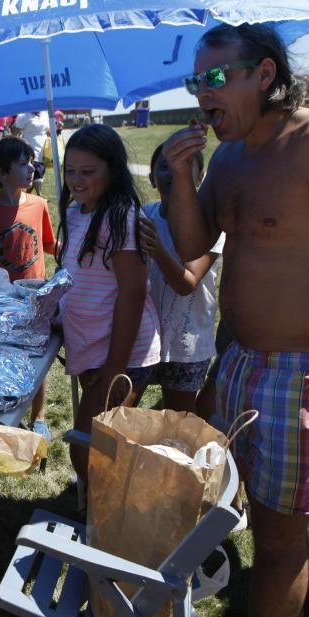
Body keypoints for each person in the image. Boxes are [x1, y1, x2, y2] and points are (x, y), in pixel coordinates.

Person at [165, 23, 309, 617]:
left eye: (216, 78)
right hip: (240, 361)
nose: (202, 92)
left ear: (265, 75)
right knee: (228, 508)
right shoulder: (231, 156)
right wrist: (184, 183)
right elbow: (195, 247)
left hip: (308, 376)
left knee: (279, 545)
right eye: (196, 80)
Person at [57, 124, 161, 484]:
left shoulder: (121, 217)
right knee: (98, 444)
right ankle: (105, 508)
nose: (76, 180)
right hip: (92, 347)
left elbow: (132, 294)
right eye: (70, 171)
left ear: (113, 170)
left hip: (121, 356)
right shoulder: (76, 213)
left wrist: (115, 369)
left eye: (88, 172)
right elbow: (77, 276)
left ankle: (112, 519)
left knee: (88, 449)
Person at [0, 136, 55, 439]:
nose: (31, 169)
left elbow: (49, 244)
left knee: (38, 358)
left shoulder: (39, 204)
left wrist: (79, 252)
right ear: (2, 174)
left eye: (31, 162)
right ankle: (8, 408)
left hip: (36, 296)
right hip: (2, 301)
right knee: (6, 357)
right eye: (23, 164)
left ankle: (39, 416)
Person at [138, 144, 221, 414]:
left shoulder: (211, 225)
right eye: (164, 166)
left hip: (186, 343)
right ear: (152, 178)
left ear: (201, 177)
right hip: (142, 339)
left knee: (178, 423)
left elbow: (186, 284)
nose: (173, 173)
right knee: (121, 416)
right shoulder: (143, 217)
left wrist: (158, 251)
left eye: (184, 166)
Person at [12, 110, 50, 195]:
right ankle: (39, 194)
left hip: (43, 147)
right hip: (30, 146)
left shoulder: (45, 113)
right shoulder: (24, 115)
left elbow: (47, 130)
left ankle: (28, 193)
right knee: (37, 169)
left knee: (41, 169)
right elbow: (15, 132)